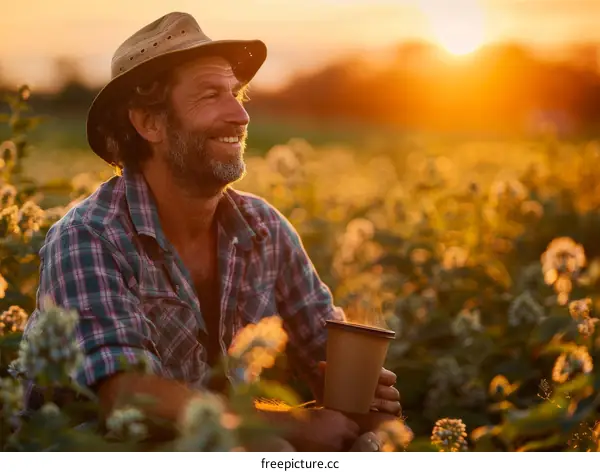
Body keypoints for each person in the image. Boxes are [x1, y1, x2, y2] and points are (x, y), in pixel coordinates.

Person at [21, 11, 401, 451]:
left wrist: (364, 396)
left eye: (238, 94)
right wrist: (290, 425)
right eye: (211, 95)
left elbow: (328, 352)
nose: (240, 115)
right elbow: (126, 395)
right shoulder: (89, 236)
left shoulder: (266, 229)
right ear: (150, 123)